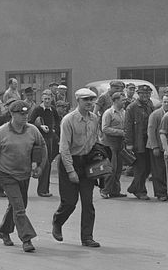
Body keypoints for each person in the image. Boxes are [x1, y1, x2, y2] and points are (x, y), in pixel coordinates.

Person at [0, 99, 47, 253]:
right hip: (7, 175)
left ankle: (4, 231)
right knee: (19, 208)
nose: (25, 116)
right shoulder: (0, 132)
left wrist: (40, 167)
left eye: (26, 113)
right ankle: (27, 239)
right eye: (21, 114)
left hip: (24, 174)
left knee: (17, 206)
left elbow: (42, 148)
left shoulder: (32, 130)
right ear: (12, 114)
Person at [51, 88, 102, 248]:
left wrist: (98, 160)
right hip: (69, 161)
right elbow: (64, 149)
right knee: (70, 202)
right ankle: (57, 222)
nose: (89, 103)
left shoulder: (94, 119)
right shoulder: (68, 120)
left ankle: (87, 237)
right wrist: (71, 171)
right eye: (85, 100)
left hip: (86, 162)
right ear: (78, 101)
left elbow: (95, 140)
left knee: (88, 202)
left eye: (91, 100)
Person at [123, 84, 154, 199]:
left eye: (147, 93)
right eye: (143, 93)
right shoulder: (132, 108)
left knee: (148, 167)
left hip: (149, 141)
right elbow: (128, 127)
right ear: (138, 94)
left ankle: (133, 187)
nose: (145, 95)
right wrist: (129, 144)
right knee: (140, 168)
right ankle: (140, 191)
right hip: (138, 142)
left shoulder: (150, 104)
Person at [28, 89, 61, 197]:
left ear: (52, 99)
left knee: (48, 164)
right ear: (42, 99)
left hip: (51, 139)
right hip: (40, 140)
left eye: (49, 99)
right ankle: (42, 190)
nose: (47, 101)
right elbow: (30, 123)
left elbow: (57, 120)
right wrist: (40, 126)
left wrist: (54, 129)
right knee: (44, 163)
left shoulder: (52, 109)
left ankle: (45, 189)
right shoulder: (37, 109)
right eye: (45, 99)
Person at [100, 92, 128, 199]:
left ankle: (115, 191)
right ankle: (105, 190)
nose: (124, 102)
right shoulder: (108, 113)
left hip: (120, 144)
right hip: (109, 144)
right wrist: (121, 132)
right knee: (111, 168)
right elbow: (105, 128)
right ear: (115, 100)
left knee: (119, 168)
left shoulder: (124, 112)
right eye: (122, 100)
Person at [147, 93, 168, 201]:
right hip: (156, 147)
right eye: (165, 101)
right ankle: (160, 193)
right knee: (158, 171)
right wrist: (155, 147)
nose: (166, 104)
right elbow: (151, 131)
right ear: (162, 102)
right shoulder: (155, 115)